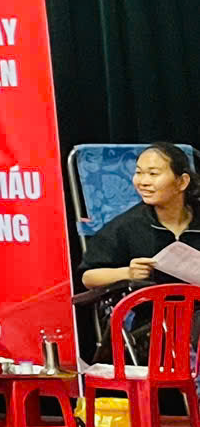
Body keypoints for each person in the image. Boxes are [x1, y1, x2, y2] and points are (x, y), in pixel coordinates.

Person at [76, 142, 196, 358]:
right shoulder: (128, 226)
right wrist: (128, 272)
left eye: (153, 174)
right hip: (155, 326)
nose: (143, 181)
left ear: (182, 182)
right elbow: (88, 277)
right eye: (139, 173)